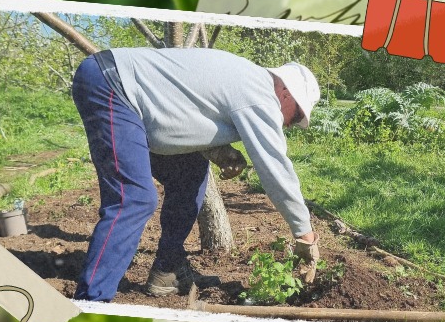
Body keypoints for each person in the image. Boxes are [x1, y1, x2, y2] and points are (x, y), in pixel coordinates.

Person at [70, 45, 321, 303]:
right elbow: (274, 167)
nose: (292, 124)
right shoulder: (260, 94)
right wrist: (305, 234)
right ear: (286, 93)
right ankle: (92, 303)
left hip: (128, 95)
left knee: (190, 174)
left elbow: (185, 109)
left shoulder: (248, 79)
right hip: (112, 85)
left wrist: (218, 151)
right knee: (134, 199)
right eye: (297, 115)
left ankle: (167, 271)